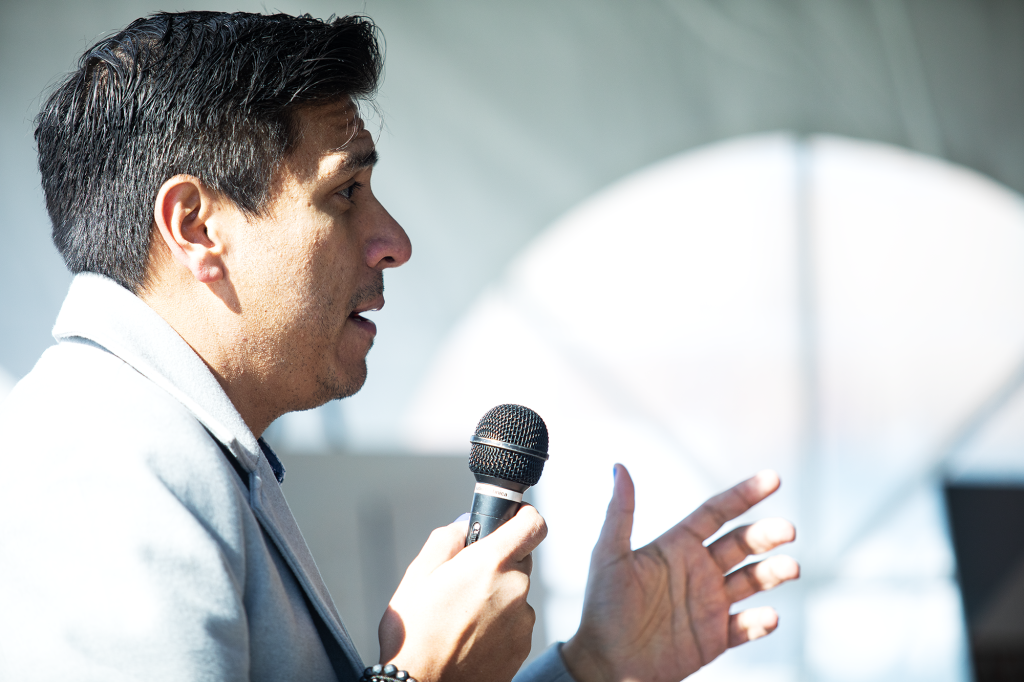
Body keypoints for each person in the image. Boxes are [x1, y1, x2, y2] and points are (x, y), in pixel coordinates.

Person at [0, 11, 799, 682]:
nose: (393, 241)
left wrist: (591, 666)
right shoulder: (99, 460)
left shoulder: (164, 446)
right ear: (197, 228)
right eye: (345, 193)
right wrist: (418, 678)